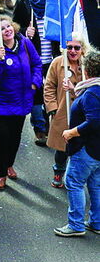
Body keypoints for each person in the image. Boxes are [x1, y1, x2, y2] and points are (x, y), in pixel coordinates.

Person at [0, 16, 42, 191]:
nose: (7, 30)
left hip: (22, 99)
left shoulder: (24, 42)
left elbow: (37, 64)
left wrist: (35, 83)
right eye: (2, 28)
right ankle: (0, 174)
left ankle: (9, 164)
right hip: (2, 102)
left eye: (8, 26)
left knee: (15, 137)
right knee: (2, 138)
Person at [53, 46, 100, 236]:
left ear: (87, 70)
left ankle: (76, 224)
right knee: (95, 184)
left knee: (73, 182)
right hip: (97, 150)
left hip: (86, 149)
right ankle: (96, 222)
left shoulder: (91, 93)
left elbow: (95, 121)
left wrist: (72, 132)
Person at [12, 0, 56, 145]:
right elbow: (13, 30)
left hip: (52, 58)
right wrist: (24, 31)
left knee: (50, 93)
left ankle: (48, 124)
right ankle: (40, 128)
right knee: (36, 94)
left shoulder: (55, 2)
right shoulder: (24, 1)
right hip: (33, 59)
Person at [44, 38, 88, 189]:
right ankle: (58, 172)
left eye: (77, 47)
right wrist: (52, 108)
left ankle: (76, 178)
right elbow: (49, 86)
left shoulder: (89, 65)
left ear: (83, 48)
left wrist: (74, 89)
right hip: (63, 112)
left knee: (81, 147)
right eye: (69, 47)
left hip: (84, 114)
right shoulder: (57, 62)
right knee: (62, 147)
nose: (73, 51)